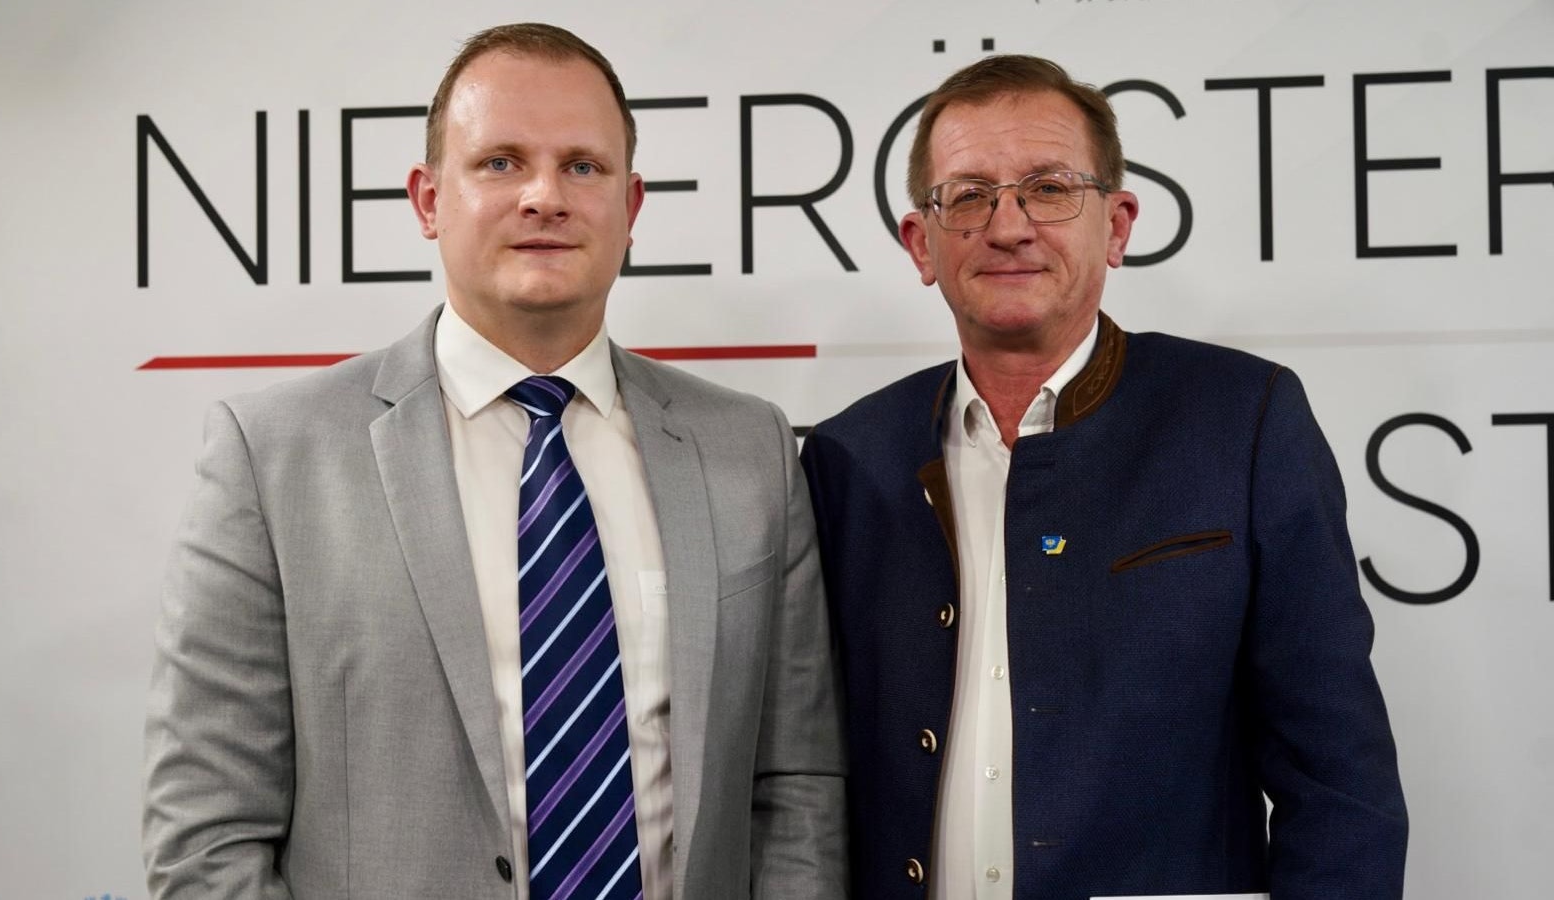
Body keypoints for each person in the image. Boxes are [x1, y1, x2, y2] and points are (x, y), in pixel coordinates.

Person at [143, 23, 845, 900]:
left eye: (582, 166)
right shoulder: (273, 456)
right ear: (429, 200)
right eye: (501, 162)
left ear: (630, 208)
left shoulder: (749, 452)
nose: (545, 197)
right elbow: (206, 836)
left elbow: (796, 790)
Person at [800, 54, 1406, 900]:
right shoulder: (847, 457)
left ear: (1116, 226)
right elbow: (802, 778)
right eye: (968, 196)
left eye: (1049, 188)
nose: (1007, 227)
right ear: (920, 243)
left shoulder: (1241, 421)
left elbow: (1340, 784)